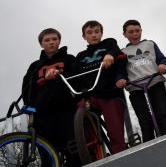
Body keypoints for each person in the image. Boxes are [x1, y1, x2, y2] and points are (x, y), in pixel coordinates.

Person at [21, 28, 80, 167]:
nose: (51, 42)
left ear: (59, 41)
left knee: (72, 149)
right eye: (47, 40)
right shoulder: (35, 66)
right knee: (46, 153)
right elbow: (27, 89)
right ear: (41, 44)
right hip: (42, 113)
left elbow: (77, 78)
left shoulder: (69, 58)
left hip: (66, 109)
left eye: (54, 39)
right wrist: (30, 105)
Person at [72, 20, 127, 154]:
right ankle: (94, 154)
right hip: (89, 96)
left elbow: (116, 50)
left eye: (97, 32)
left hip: (110, 93)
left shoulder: (109, 44)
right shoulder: (80, 56)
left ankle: (120, 156)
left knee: (115, 132)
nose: (94, 35)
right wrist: (73, 89)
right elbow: (74, 75)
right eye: (89, 33)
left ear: (101, 33)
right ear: (84, 36)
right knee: (81, 119)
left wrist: (110, 54)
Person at [118, 20, 166, 142]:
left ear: (141, 31)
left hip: (154, 82)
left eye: (137, 31)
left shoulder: (150, 44)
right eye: (131, 32)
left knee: (162, 116)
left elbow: (162, 59)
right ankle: (149, 147)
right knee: (144, 121)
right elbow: (120, 71)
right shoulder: (122, 52)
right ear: (124, 34)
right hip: (136, 87)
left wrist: (163, 65)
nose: (135, 34)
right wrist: (120, 79)